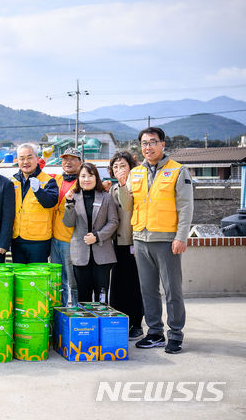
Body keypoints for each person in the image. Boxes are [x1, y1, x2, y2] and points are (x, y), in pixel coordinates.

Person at [119, 127, 194, 354]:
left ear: (163, 144)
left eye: (152, 142)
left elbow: (186, 207)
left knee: (173, 291)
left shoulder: (178, 171)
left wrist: (181, 237)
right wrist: (122, 186)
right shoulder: (136, 173)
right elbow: (128, 206)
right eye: (144, 143)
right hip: (141, 238)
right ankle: (154, 333)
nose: (148, 147)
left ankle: (175, 335)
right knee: (147, 290)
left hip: (167, 239)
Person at [63, 163, 119, 303]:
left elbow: (113, 222)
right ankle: (86, 325)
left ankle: (102, 323)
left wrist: (98, 236)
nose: (86, 179)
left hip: (102, 255)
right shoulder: (74, 197)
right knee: (83, 296)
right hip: (80, 255)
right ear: (78, 178)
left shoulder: (106, 197)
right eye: (83, 176)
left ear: (96, 178)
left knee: (102, 296)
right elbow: (69, 223)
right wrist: (69, 203)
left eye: (90, 175)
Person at [107, 151, 144, 339]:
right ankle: (121, 322)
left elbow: (128, 205)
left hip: (134, 242)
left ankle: (137, 323)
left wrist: (122, 184)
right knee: (118, 286)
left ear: (131, 167)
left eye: (123, 166)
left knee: (135, 285)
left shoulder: (137, 185)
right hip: (116, 244)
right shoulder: (112, 189)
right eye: (115, 167)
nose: (119, 170)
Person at [10, 143, 59, 263]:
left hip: (39, 240)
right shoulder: (13, 181)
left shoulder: (48, 181)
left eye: (29, 157)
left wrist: (38, 191)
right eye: (22, 158)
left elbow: (50, 202)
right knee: (20, 277)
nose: (25, 161)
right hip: (17, 238)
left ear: (37, 159)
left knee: (36, 278)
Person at [51, 147, 82, 305]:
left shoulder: (82, 182)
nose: (67, 162)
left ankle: (76, 312)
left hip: (72, 238)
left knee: (73, 280)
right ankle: (59, 312)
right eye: (65, 159)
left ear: (80, 162)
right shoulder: (56, 179)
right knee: (57, 281)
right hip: (54, 238)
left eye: (72, 159)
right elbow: (36, 171)